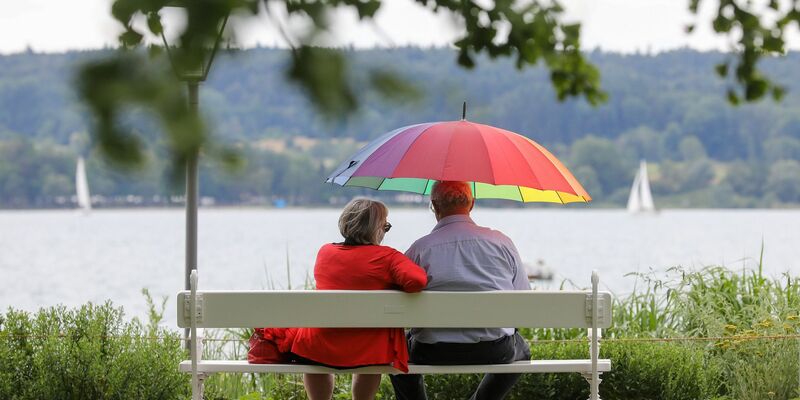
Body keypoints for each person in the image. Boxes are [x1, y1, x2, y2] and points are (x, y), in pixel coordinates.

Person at [390, 181, 532, 400]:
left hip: (431, 350)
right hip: (493, 349)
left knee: (398, 351)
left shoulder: (420, 248)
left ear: (434, 207)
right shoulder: (502, 243)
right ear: (472, 204)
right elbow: (524, 298)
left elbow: (395, 299)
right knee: (521, 348)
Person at [289, 198, 428, 400]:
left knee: (315, 341)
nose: (385, 233)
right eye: (385, 226)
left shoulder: (325, 252)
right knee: (372, 342)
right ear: (375, 229)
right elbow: (417, 281)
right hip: (367, 349)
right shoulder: (387, 257)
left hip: (321, 346)